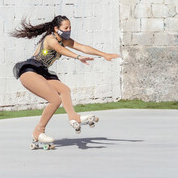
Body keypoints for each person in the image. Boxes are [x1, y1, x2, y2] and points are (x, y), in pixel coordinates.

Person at [11, 15, 120, 144]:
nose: (68, 30)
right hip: (30, 71)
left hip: (42, 72)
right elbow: (60, 50)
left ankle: (74, 117)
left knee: (64, 90)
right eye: (65, 28)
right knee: (55, 100)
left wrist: (104, 54)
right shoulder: (50, 39)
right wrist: (78, 57)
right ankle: (38, 131)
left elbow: (82, 47)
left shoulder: (65, 40)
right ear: (56, 28)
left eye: (70, 27)